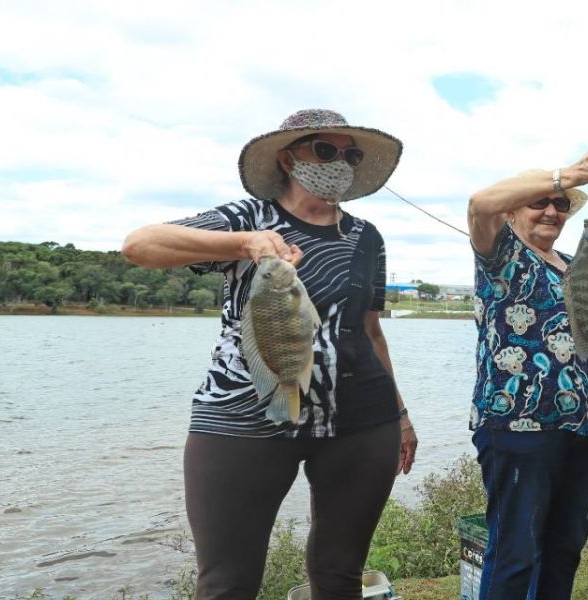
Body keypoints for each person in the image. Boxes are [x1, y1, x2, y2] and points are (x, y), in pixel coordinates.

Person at [121, 109, 417, 599]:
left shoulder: (366, 237)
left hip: (362, 418)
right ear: (288, 157)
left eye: (351, 154)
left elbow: (370, 330)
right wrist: (244, 244)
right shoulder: (249, 218)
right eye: (326, 150)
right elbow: (139, 245)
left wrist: (401, 416)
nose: (340, 162)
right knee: (227, 584)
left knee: (340, 576)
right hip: (243, 415)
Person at [467, 150, 588, 600]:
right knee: (516, 551)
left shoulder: (579, 264)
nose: (552, 211)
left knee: (565, 548)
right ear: (513, 210)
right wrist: (572, 174)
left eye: (560, 205)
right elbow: (480, 204)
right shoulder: (500, 252)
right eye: (540, 201)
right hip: (519, 424)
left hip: (585, 425)